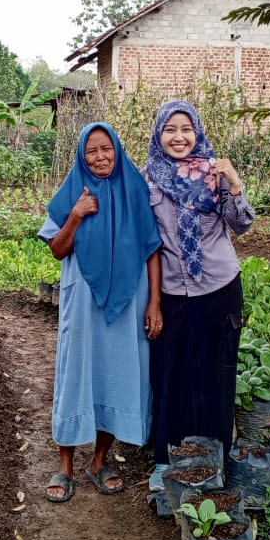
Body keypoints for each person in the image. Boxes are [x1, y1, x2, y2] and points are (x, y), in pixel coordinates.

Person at [39, 122, 163, 502]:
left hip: (129, 300)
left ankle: (99, 461)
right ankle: (65, 467)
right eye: (91, 151)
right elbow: (57, 250)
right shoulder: (73, 190)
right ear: (81, 155)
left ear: (117, 149)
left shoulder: (136, 189)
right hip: (84, 298)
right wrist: (76, 214)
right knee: (76, 372)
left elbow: (151, 248)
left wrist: (155, 302)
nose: (100, 157)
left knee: (117, 373)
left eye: (105, 149)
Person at [144, 100, 254, 491]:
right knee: (170, 376)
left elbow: (240, 225)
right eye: (170, 129)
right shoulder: (149, 180)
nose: (179, 137)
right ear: (159, 134)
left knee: (215, 374)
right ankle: (165, 461)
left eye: (185, 129)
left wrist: (235, 185)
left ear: (197, 132)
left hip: (219, 287)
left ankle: (214, 459)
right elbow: (146, 242)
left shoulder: (215, 173)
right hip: (173, 290)